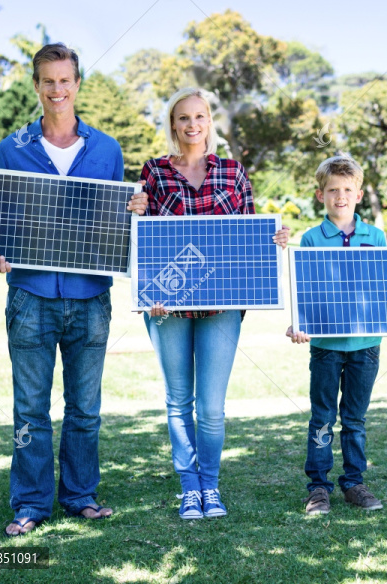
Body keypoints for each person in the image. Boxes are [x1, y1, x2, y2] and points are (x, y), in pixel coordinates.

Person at [0, 43, 148, 536]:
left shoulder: (107, 150)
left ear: (77, 84)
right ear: (36, 85)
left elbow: (113, 223)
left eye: (65, 80)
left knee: (85, 407)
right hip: (30, 295)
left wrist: (132, 211)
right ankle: (30, 504)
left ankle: (79, 496)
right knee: (30, 407)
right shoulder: (12, 149)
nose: (57, 90)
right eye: (47, 81)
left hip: (90, 297)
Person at [140, 87, 290, 519]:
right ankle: (189, 488)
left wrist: (273, 238)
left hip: (222, 304)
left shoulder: (232, 172)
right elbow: (139, 237)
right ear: (173, 125)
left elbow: (249, 236)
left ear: (210, 122)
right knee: (177, 401)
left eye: (200, 117)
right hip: (167, 306)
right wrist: (148, 291)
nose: (192, 125)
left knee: (210, 406)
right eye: (183, 118)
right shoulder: (153, 172)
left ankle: (210, 485)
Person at [285, 153, 387, 515]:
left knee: (354, 419)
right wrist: (298, 324)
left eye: (348, 189)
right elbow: (307, 291)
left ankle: (354, 483)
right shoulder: (311, 239)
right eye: (333, 190)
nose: (341, 196)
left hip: (366, 347)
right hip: (325, 346)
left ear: (359, 192)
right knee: (322, 417)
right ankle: (318, 488)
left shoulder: (376, 236)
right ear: (320, 194)